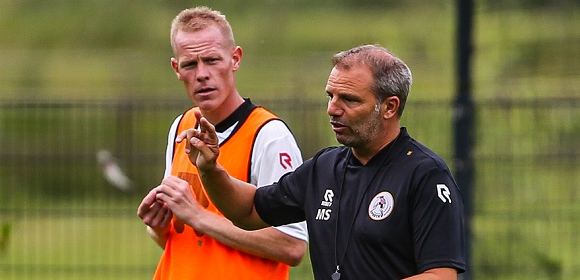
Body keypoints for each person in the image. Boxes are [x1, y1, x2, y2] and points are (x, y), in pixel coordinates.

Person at [162, 44, 467, 279]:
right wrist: (211, 169)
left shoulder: (425, 175)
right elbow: (249, 210)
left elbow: (440, 274)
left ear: (389, 107)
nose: (333, 109)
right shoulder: (324, 167)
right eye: (330, 96)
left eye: (349, 100)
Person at [136, 6, 308, 280]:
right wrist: (158, 226)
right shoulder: (181, 126)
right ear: (176, 68)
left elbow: (292, 245)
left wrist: (198, 216)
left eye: (212, 60)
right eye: (190, 64)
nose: (202, 74)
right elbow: (190, 242)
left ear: (235, 58)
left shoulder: (268, 135)